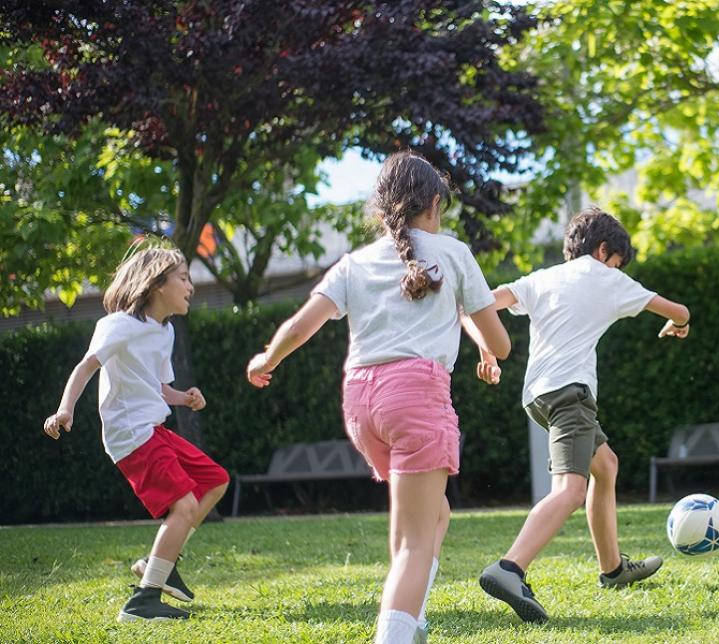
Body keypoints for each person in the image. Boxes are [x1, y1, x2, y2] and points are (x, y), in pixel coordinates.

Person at [246, 151, 510, 643]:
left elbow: (305, 320)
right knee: (415, 538)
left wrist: (268, 358)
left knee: (431, 515)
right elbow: (500, 341)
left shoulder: (356, 262)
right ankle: (394, 634)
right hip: (415, 397)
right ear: (434, 203)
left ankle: (413, 618)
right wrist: (491, 347)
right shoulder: (453, 253)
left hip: (361, 402)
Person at [476, 206, 690, 623]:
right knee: (571, 491)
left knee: (606, 465)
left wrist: (487, 349)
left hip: (537, 395)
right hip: (570, 394)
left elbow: (487, 304)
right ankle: (509, 568)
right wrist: (678, 325)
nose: (615, 269)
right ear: (604, 250)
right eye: (615, 261)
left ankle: (613, 569)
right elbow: (678, 310)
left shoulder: (543, 277)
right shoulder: (608, 277)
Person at [43, 242, 228, 622]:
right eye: (183, 278)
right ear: (157, 284)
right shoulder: (118, 325)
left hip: (153, 427)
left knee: (215, 480)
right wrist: (65, 409)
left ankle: (161, 562)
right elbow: (86, 366)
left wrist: (185, 397)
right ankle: (142, 603)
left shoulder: (166, 332)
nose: (191, 286)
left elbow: (158, 388)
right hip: (130, 434)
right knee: (186, 506)